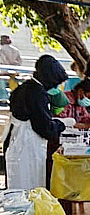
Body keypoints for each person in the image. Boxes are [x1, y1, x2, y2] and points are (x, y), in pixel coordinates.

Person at [4, 55, 67, 189]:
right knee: (30, 187)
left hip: (17, 143)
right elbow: (44, 127)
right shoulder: (37, 93)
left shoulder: (25, 88)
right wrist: (62, 125)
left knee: (18, 188)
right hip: (27, 146)